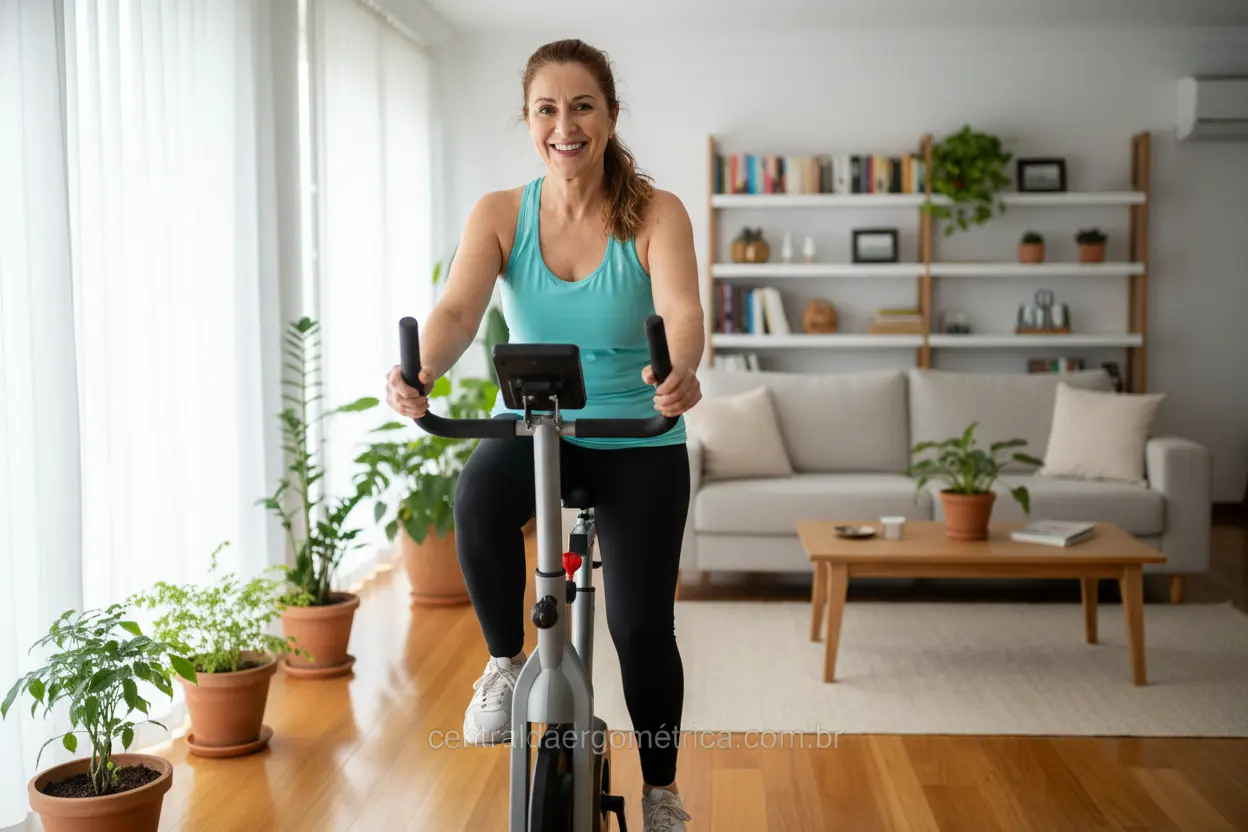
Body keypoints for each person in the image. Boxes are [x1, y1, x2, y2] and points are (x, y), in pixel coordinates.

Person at [385, 38, 702, 832]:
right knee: (476, 501)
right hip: (537, 426)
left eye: (583, 106)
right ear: (528, 121)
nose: (566, 126)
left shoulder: (656, 213)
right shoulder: (501, 214)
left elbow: (682, 310)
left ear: (611, 116)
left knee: (640, 628)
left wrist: (680, 369)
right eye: (548, 109)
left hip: (638, 433)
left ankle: (661, 790)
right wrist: (421, 371)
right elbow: (458, 310)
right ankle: (504, 664)